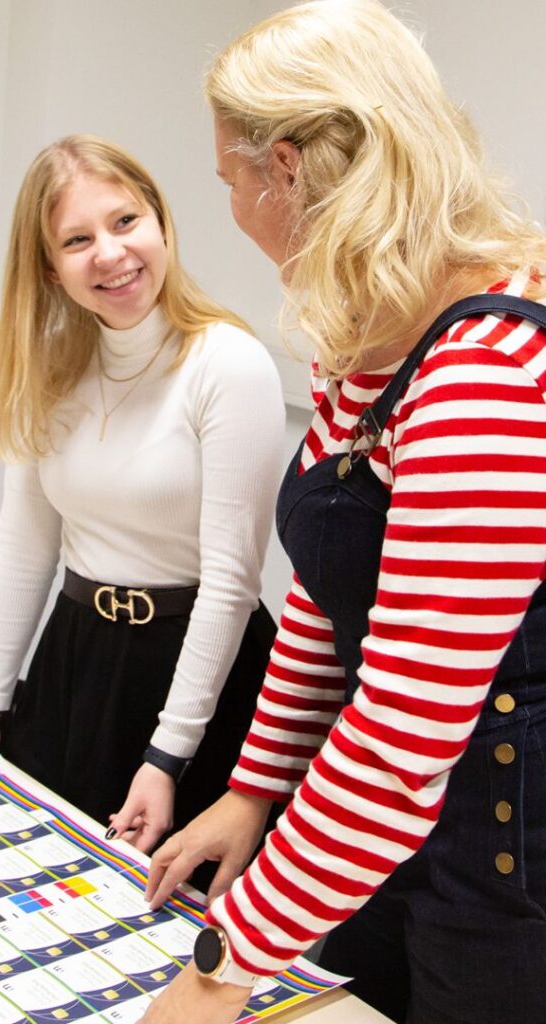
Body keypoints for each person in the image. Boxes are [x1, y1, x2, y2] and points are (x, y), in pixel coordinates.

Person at [139, 3, 546, 1023]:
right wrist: (253, 788)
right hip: (397, 824)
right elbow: (329, 593)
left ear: (284, 169)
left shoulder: (484, 379)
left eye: (228, 175)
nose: (227, 200)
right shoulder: (362, 335)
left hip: (505, 854)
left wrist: (215, 969)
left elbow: (401, 733)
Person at [0, 134, 285, 855]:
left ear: (161, 223)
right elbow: (23, 546)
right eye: (78, 239)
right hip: (74, 655)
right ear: (50, 268)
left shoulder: (229, 365)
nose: (110, 253)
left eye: (125, 222)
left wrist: (168, 756)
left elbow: (232, 583)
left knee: (158, 921)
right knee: (37, 881)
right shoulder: (53, 370)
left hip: (197, 670)